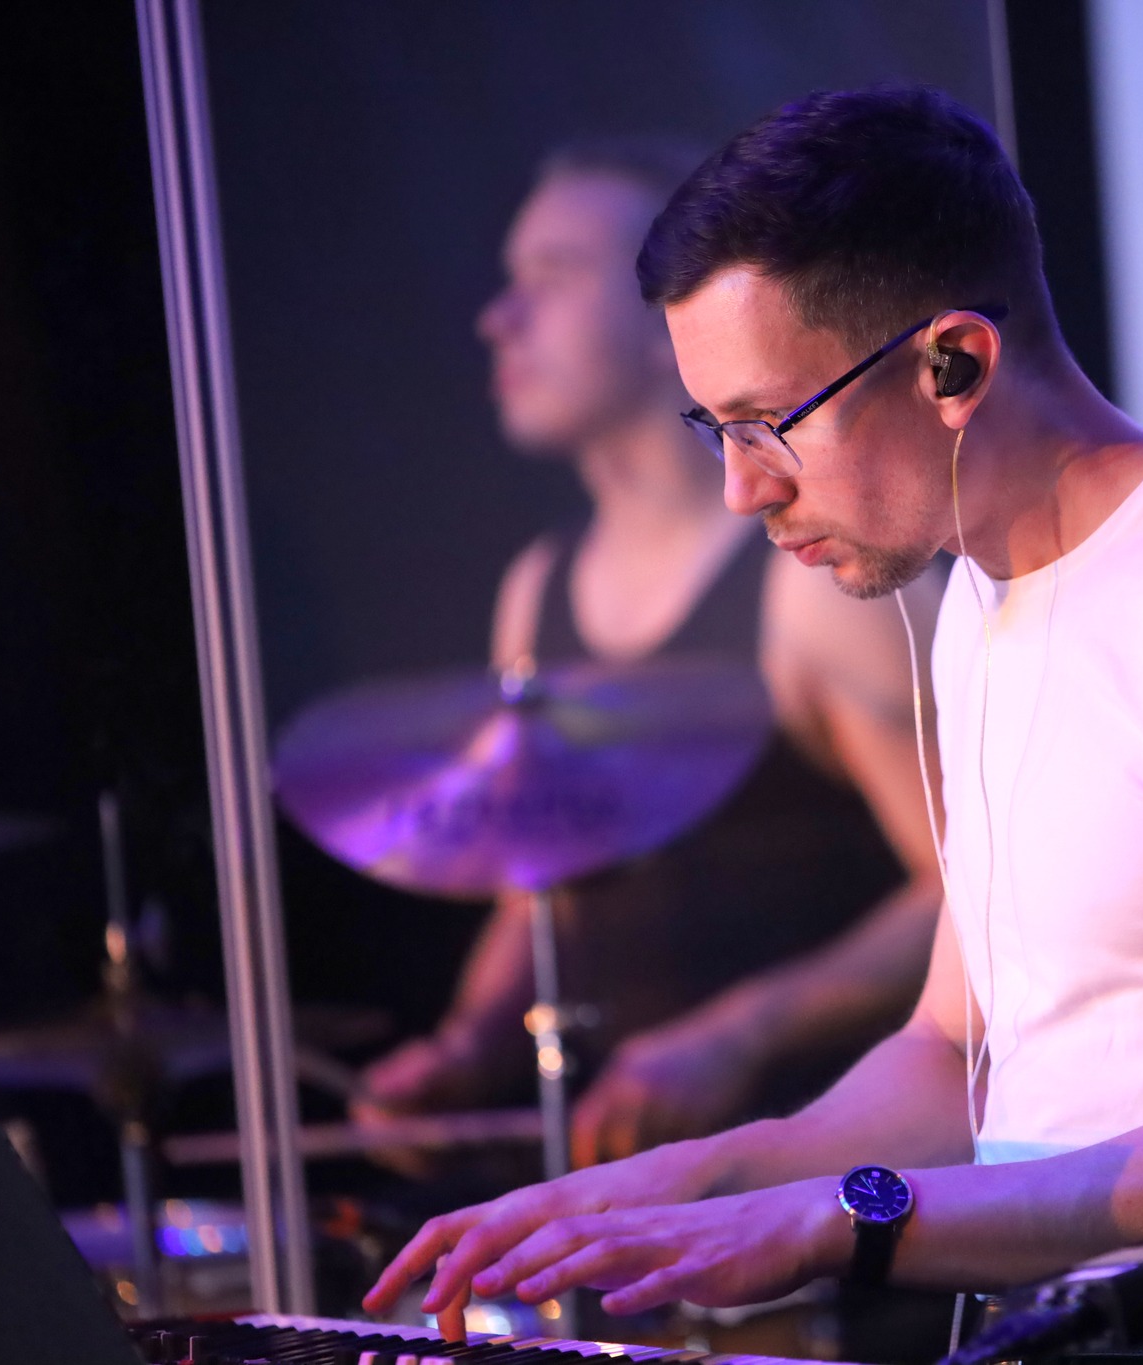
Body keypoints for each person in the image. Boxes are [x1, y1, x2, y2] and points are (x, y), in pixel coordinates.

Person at [365, 84, 1143, 1347]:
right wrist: (685, 1182)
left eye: (766, 424)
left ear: (953, 363)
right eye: (714, 430)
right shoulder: (977, 598)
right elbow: (951, 1054)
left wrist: (842, 1219)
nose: (741, 490)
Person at [353, 138, 947, 1166]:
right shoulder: (536, 587)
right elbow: (546, 882)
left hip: (827, 1178)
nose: (498, 318)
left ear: (670, 312)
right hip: (643, 1188)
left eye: (553, 276)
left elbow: (980, 885)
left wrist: (742, 1032)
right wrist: (469, 1041)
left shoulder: (815, 577)